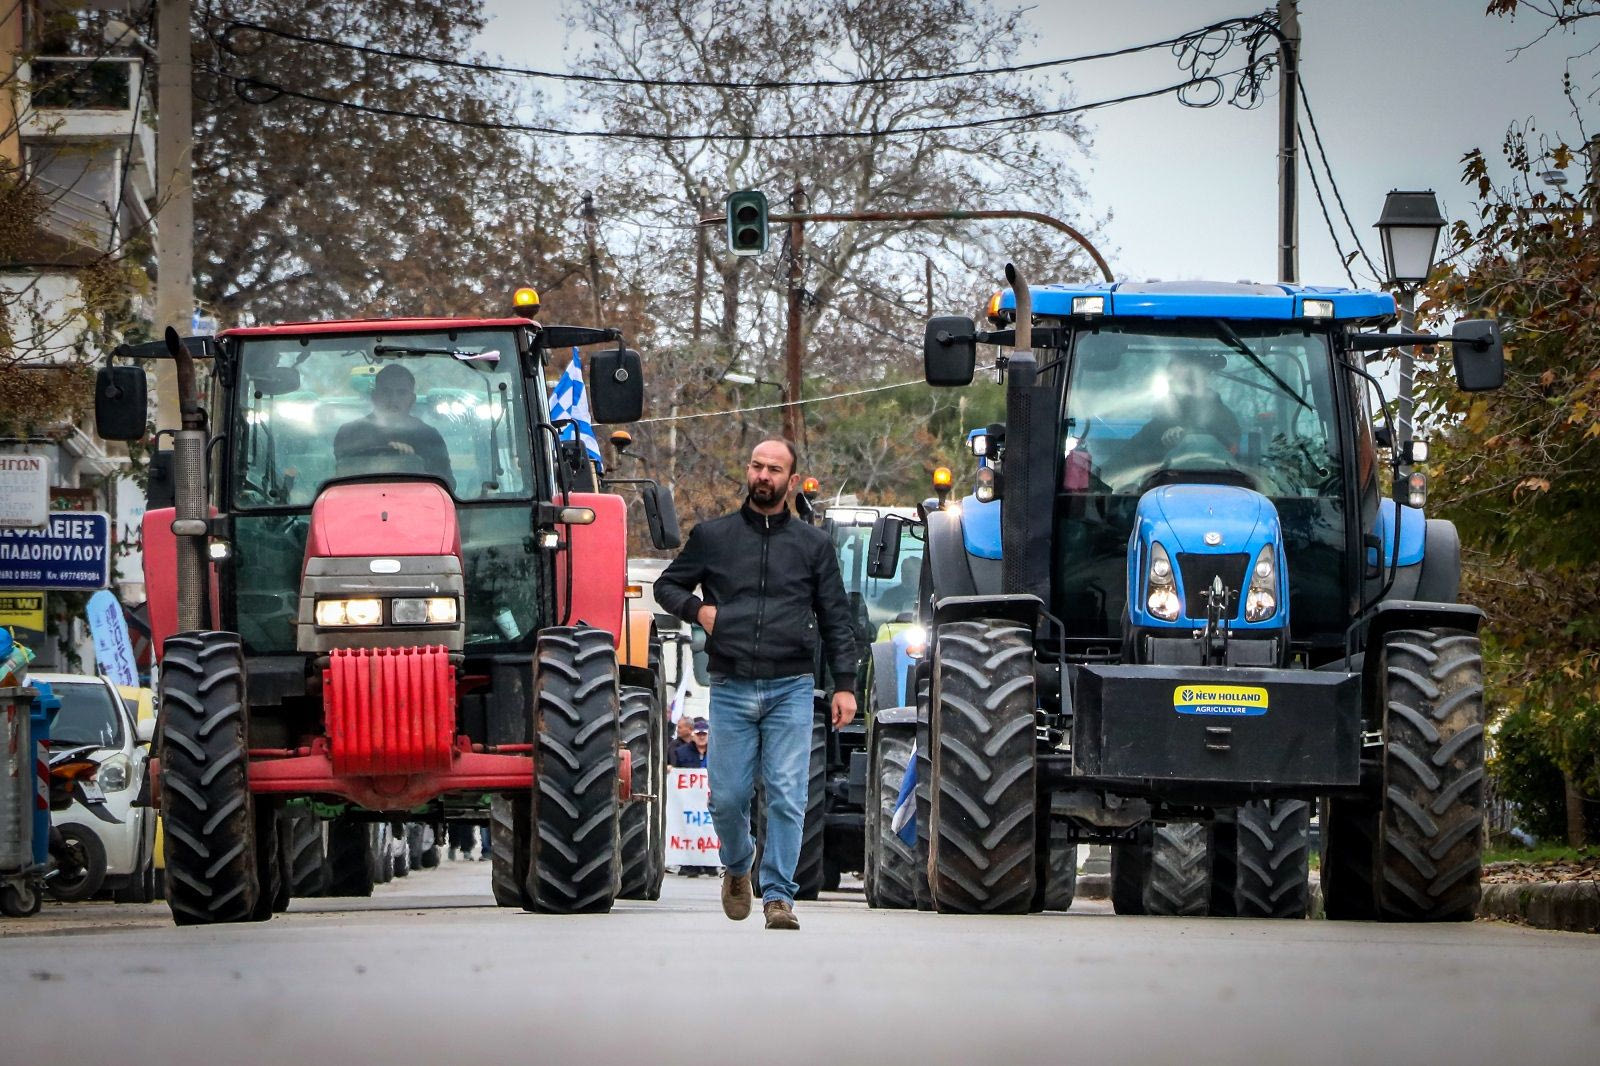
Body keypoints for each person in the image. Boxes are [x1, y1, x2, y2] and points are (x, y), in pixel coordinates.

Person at [655, 438, 858, 931]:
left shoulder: (813, 546)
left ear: (791, 482)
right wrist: (697, 610)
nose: (763, 475)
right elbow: (667, 585)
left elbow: (835, 618)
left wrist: (845, 684)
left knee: (787, 795)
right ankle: (738, 866)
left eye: (774, 469)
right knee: (726, 797)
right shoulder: (714, 536)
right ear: (748, 473)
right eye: (756, 466)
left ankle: (779, 897)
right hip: (731, 686)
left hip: (791, 686)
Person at [333, 363, 455, 490]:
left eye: (401, 393)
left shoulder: (429, 437)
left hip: (417, 505)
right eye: (386, 392)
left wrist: (412, 464)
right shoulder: (350, 433)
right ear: (374, 396)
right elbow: (341, 479)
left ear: (412, 399)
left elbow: (447, 487)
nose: (393, 400)